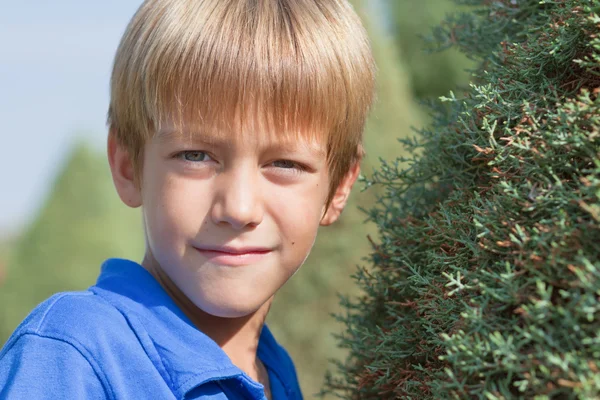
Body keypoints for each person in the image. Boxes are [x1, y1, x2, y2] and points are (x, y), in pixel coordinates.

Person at [0, 0, 375, 398]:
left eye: (284, 163)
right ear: (129, 167)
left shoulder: (274, 373)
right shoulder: (75, 355)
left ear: (338, 187)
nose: (239, 208)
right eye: (195, 156)